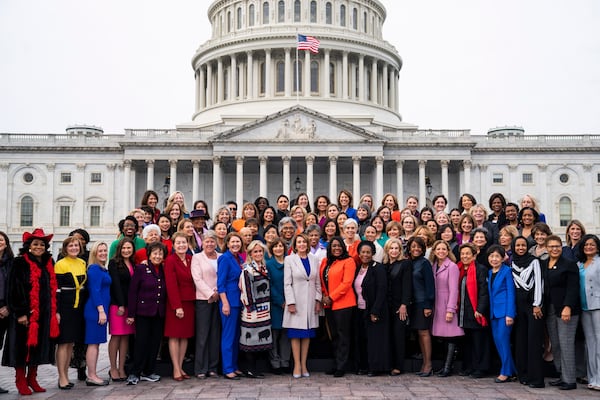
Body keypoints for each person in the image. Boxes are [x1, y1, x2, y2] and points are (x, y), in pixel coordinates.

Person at [2, 229, 59, 395]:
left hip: (42, 313)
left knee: (37, 347)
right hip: (25, 315)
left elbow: (51, 289)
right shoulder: (20, 263)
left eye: (42, 244)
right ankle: (20, 380)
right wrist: (21, 312)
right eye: (35, 244)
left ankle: (32, 379)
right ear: (28, 246)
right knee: (22, 348)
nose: (39, 247)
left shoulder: (49, 263)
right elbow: (14, 289)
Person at [126, 242, 168, 385]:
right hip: (143, 312)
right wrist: (131, 314)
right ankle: (135, 372)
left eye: (160, 253)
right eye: (155, 253)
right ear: (149, 255)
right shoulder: (141, 269)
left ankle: (149, 371)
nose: (157, 256)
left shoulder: (163, 269)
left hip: (158, 312)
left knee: (155, 343)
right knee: (141, 343)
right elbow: (133, 292)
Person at [543, 235, 581, 391]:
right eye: (551, 246)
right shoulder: (543, 263)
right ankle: (561, 375)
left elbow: (573, 288)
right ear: (546, 248)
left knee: (566, 344)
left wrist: (568, 306)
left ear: (561, 246)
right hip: (550, 309)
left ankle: (570, 380)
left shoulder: (569, 264)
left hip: (566, 309)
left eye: (557, 246)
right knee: (556, 344)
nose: (554, 249)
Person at [283, 234, 321, 378]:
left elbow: (317, 283)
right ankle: (297, 365)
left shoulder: (314, 259)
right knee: (295, 334)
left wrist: (318, 300)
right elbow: (287, 283)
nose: (302, 244)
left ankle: (304, 364)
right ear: (295, 244)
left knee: (307, 335)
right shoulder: (290, 259)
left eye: (304, 242)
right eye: (299, 242)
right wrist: (290, 302)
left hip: (310, 302)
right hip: (296, 301)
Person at [511, 236, 545, 388]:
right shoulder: (512, 262)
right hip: (518, 306)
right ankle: (523, 375)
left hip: (532, 305)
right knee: (521, 341)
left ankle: (536, 379)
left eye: (523, 245)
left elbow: (538, 283)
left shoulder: (534, 261)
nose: (520, 248)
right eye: (517, 245)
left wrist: (537, 304)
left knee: (534, 342)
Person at [320, 236, 357, 377]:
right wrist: (324, 295)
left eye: (339, 245)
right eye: (333, 246)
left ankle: (342, 366)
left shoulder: (348, 261)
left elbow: (346, 283)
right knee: (333, 335)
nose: (336, 248)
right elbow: (323, 281)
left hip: (344, 304)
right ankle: (336, 363)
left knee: (343, 336)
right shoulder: (325, 262)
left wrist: (331, 297)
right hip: (329, 305)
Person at [54, 236, 87, 390]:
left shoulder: (82, 263)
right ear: (65, 248)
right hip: (65, 307)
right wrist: (57, 311)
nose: (74, 248)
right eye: (71, 246)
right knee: (63, 343)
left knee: (71, 344)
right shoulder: (60, 264)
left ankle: (67, 374)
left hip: (78, 307)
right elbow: (57, 290)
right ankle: (62, 377)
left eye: (76, 245)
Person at [354, 240, 389, 376]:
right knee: (363, 339)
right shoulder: (358, 268)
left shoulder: (378, 268)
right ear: (359, 253)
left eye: (368, 252)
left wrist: (375, 311)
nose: (365, 255)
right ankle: (363, 366)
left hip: (374, 310)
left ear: (373, 253)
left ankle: (374, 367)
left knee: (375, 341)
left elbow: (382, 290)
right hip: (360, 309)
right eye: (363, 252)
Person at [164, 232, 195, 381]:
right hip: (176, 303)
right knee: (175, 336)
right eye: (178, 243)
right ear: (174, 245)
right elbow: (171, 284)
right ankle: (175, 368)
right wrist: (177, 306)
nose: (182, 245)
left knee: (185, 336)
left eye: (184, 242)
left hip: (190, 301)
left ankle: (181, 366)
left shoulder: (191, 259)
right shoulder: (170, 260)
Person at [429, 240, 463, 377]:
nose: (441, 251)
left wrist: (450, 309)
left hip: (447, 303)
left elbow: (454, 289)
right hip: (437, 304)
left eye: (444, 249)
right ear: (434, 251)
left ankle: (448, 367)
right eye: (438, 249)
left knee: (451, 337)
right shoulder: (434, 265)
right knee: (442, 337)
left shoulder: (452, 266)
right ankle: (443, 366)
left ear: (448, 251)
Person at [239, 240, 272, 378]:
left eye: (260, 251)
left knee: (259, 341)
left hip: (265, 308)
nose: (258, 254)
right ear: (250, 254)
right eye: (255, 252)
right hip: (252, 309)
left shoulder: (263, 267)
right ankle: (250, 369)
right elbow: (246, 290)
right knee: (250, 340)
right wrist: (251, 308)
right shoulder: (248, 270)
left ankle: (256, 368)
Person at [457, 243, 490, 378]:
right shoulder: (458, 269)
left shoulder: (480, 269)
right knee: (467, 342)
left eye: (467, 254)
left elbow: (483, 291)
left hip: (476, 311)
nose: (465, 256)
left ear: (474, 255)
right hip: (464, 311)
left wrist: (480, 309)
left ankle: (480, 368)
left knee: (479, 342)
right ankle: (469, 367)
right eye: (463, 254)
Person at [191, 231, 221, 379]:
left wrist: (218, 292)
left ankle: (213, 367)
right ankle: (200, 368)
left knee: (215, 335)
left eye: (212, 241)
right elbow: (197, 279)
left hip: (220, 299)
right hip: (204, 299)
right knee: (203, 335)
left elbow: (223, 276)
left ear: (216, 242)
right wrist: (210, 293)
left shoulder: (221, 257)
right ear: (202, 242)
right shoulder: (197, 258)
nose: (209, 244)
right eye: (207, 241)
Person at [107, 237, 136, 382]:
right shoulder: (113, 263)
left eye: (129, 248)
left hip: (130, 306)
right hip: (118, 305)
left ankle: (122, 367)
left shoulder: (133, 263)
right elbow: (116, 285)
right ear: (119, 249)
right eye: (124, 248)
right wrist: (121, 304)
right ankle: (112, 368)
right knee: (116, 336)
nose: (126, 250)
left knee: (126, 337)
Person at [487, 245, 516, 383]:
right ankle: (512, 370)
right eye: (491, 256)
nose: (494, 259)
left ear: (503, 258)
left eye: (497, 256)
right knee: (498, 341)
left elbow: (511, 293)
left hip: (504, 313)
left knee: (503, 341)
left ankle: (505, 372)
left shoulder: (507, 271)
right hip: (493, 313)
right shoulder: (489, 272)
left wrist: (510, 314)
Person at [83, 241, 111, 386]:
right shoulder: (94, 269)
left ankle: (93, 374)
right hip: (95, 311)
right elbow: (95, 290)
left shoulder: (102, 269)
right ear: (94, 253)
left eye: (105, 250)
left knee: (96, 343)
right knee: (93, 344)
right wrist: (101, 311)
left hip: (101, 310)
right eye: (100, 251)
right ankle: (92, 376)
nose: (103, 253)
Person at [217, 232, 244, 380]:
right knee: (228, 336)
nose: (235, 244)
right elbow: (220, 283)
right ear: (227, 244)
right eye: (232, 242)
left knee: (236, 336)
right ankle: (227, 368)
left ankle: (234, 365)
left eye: (238, 242)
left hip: (239, 301)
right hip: (229, 302)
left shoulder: (239, 258)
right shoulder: (225, 258)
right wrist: (225, 303)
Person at [384, 238, 412, 376]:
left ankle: (398, 366)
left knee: (398, 336)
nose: (394, 251)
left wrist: (404, 305)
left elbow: (407, 286)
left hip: (399, 306)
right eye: (391, 248)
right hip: (386, 306)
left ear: (400, 250)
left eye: (396, 248)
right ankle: (388, 363)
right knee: (387, 336)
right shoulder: (384, 265)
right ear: (387, 250)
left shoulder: (405, 264)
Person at [408, 236, 435, 376]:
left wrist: (428, 305)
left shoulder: (424, 264)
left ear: (423, 249)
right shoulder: (410, 262)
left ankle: (428, 364)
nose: (416, 249)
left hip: (422, 303)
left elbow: (430, 286)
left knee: (424, 333)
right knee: (419, 333)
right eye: (413, 246)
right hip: (412, 304)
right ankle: (424, 363)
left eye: (418, 247)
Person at [578, 234, 600, 391]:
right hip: (584, 307)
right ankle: (592, 377)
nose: (589, 247)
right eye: (586, 245)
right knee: (590, 344)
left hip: (598, 305)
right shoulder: (580, 264)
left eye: (592, 244)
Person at [266, 238, 290, 375]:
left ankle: (285, 361)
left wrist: (289, 301)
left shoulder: (290, 262)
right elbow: (269, 285)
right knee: (274, 334)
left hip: (290, 303)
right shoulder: (268, 264)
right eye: (276, 246)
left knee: (286, 334)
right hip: (275, 304)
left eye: (281, 246)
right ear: (272, 249)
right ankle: (275, 362)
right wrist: (280, 301)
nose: (279, 249)